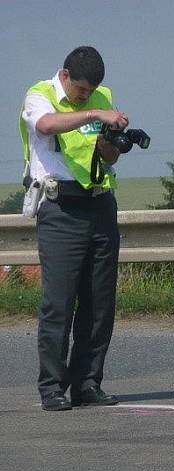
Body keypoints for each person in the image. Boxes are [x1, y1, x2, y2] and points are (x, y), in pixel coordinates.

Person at [20, 46, 129, 411]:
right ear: (65, 75)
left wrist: (112, 139)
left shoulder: (103, 96)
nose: (86, 95)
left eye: (92, 91)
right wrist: (94, 113)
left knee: (99, 302)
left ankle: (87, 383)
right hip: (60, 206)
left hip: (99, 202)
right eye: (81, 89)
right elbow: (45, 125)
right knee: (59, 302)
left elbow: (106, 155)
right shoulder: (41, 94)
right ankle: (52, 387)